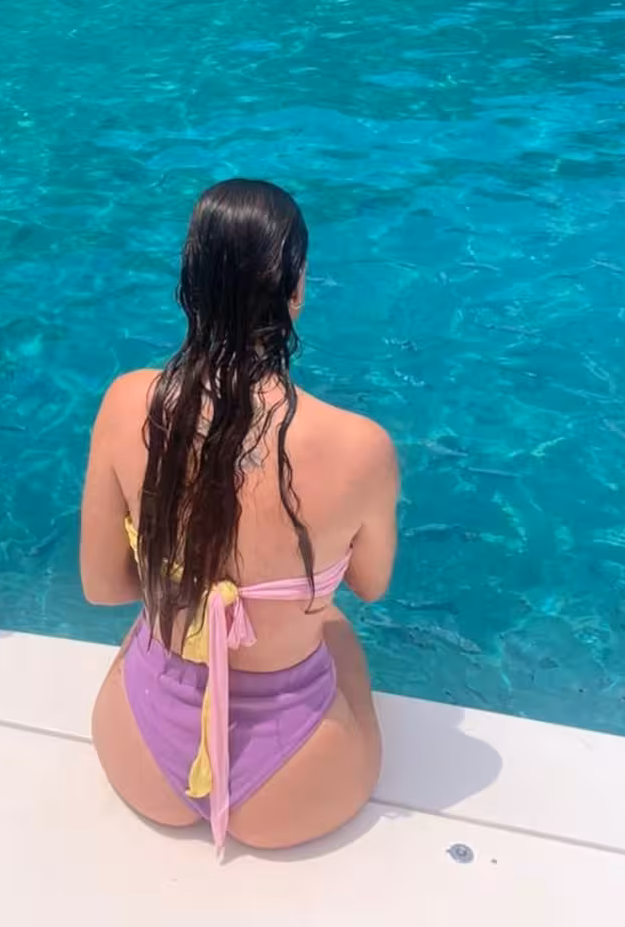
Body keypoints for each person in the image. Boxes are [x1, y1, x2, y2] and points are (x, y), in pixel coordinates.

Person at [81, 180, 398, 856]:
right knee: (338, 626)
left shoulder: (124, 404)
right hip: (299, 775)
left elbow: (104, 588)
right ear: (295, 290)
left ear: (190, 284)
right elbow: (371, 585)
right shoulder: (359, 446)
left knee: (153, 625)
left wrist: (190, 580)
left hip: (138, 746)